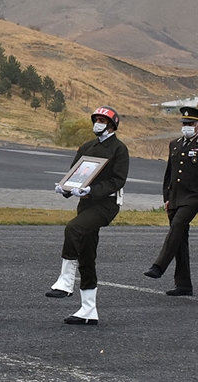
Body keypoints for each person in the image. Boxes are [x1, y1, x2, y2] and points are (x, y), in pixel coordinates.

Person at [45, 106, 129, 325]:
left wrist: (93, 190)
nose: (98, 123)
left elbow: (118, 180)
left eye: (102, 120)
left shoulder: (119, 149)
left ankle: (65, 282)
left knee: (73, 229)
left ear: (112, 125)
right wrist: (63, 188)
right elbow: (74, 175)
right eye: (96, 119)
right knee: (86, 252)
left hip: (106, 205)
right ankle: (88, 310)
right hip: (86, 204)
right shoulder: (87, 147)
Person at [143, 106, 198, 296]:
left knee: (176, 227)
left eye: (190, 124)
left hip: (194, 197)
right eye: (184, 124)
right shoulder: (175, 144)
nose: (186, 127)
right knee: (180, 240)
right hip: (176, 197)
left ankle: (158, 266)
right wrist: (167, 197)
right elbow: (169, 173)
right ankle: (184, 284)